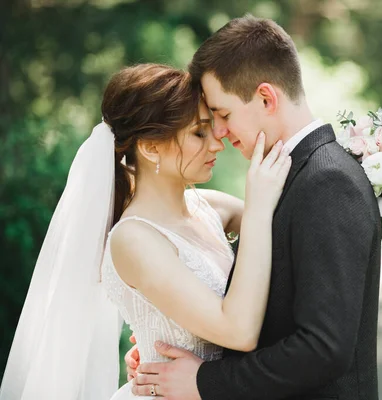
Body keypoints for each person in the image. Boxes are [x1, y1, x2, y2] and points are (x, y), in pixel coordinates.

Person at [127, 16, 382, 400]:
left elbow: (323, 348)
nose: (220, 134)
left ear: (266, 98)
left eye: (223, 115)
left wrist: (204, 381)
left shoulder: (327, 182)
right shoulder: (297, 176)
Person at [0, 63, 293, 400]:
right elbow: (238, 331)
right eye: (199, 133)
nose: (217, 144)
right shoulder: (133, 240)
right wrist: (257, 204)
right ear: (150, 147)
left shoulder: (210, 208)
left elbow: (293, 224)